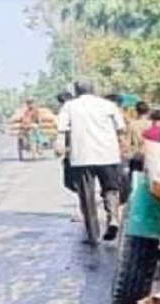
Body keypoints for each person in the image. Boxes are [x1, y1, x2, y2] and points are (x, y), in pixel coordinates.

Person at [56, 80, 127, 242]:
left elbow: (62, 130)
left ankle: (93, 234)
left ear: (76, 91)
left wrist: (60, 147)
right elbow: (121, 130)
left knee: (86, 195)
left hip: (82, 156)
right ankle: (113, 217)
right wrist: (122, 149)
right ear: (93, 89)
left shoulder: (69, 106)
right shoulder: (108, 105)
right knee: (111, 188)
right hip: (108, 154)